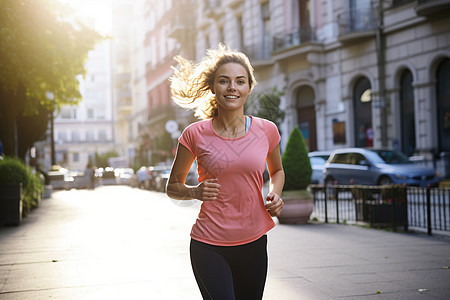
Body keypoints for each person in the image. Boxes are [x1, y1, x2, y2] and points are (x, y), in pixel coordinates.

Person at [166, 44, 285, 300]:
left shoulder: (267, 130)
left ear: (249, 88)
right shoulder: (194, 134)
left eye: (240, 81)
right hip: (208, 245)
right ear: (213, 87)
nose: (232, 87)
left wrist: (276, 194)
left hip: (254, 241)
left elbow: (277, 171)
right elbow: (172, 186)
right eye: (224, 81)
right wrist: (194, 191)